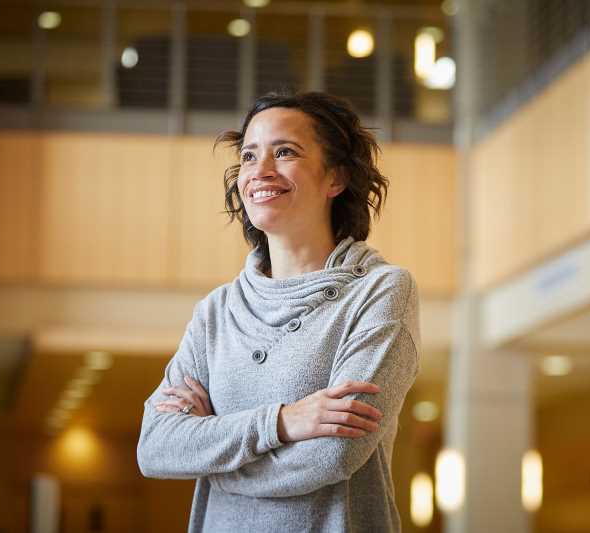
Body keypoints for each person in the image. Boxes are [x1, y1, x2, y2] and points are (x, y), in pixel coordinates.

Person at [137, 91, 421, 532]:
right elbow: (155, 447)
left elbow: (334, 455)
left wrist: (210, 452)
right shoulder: (217, 310)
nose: (260, 171)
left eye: (285, 152)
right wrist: (282, 422)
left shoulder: (382, 291)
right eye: (249, 156)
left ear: (337, 177)